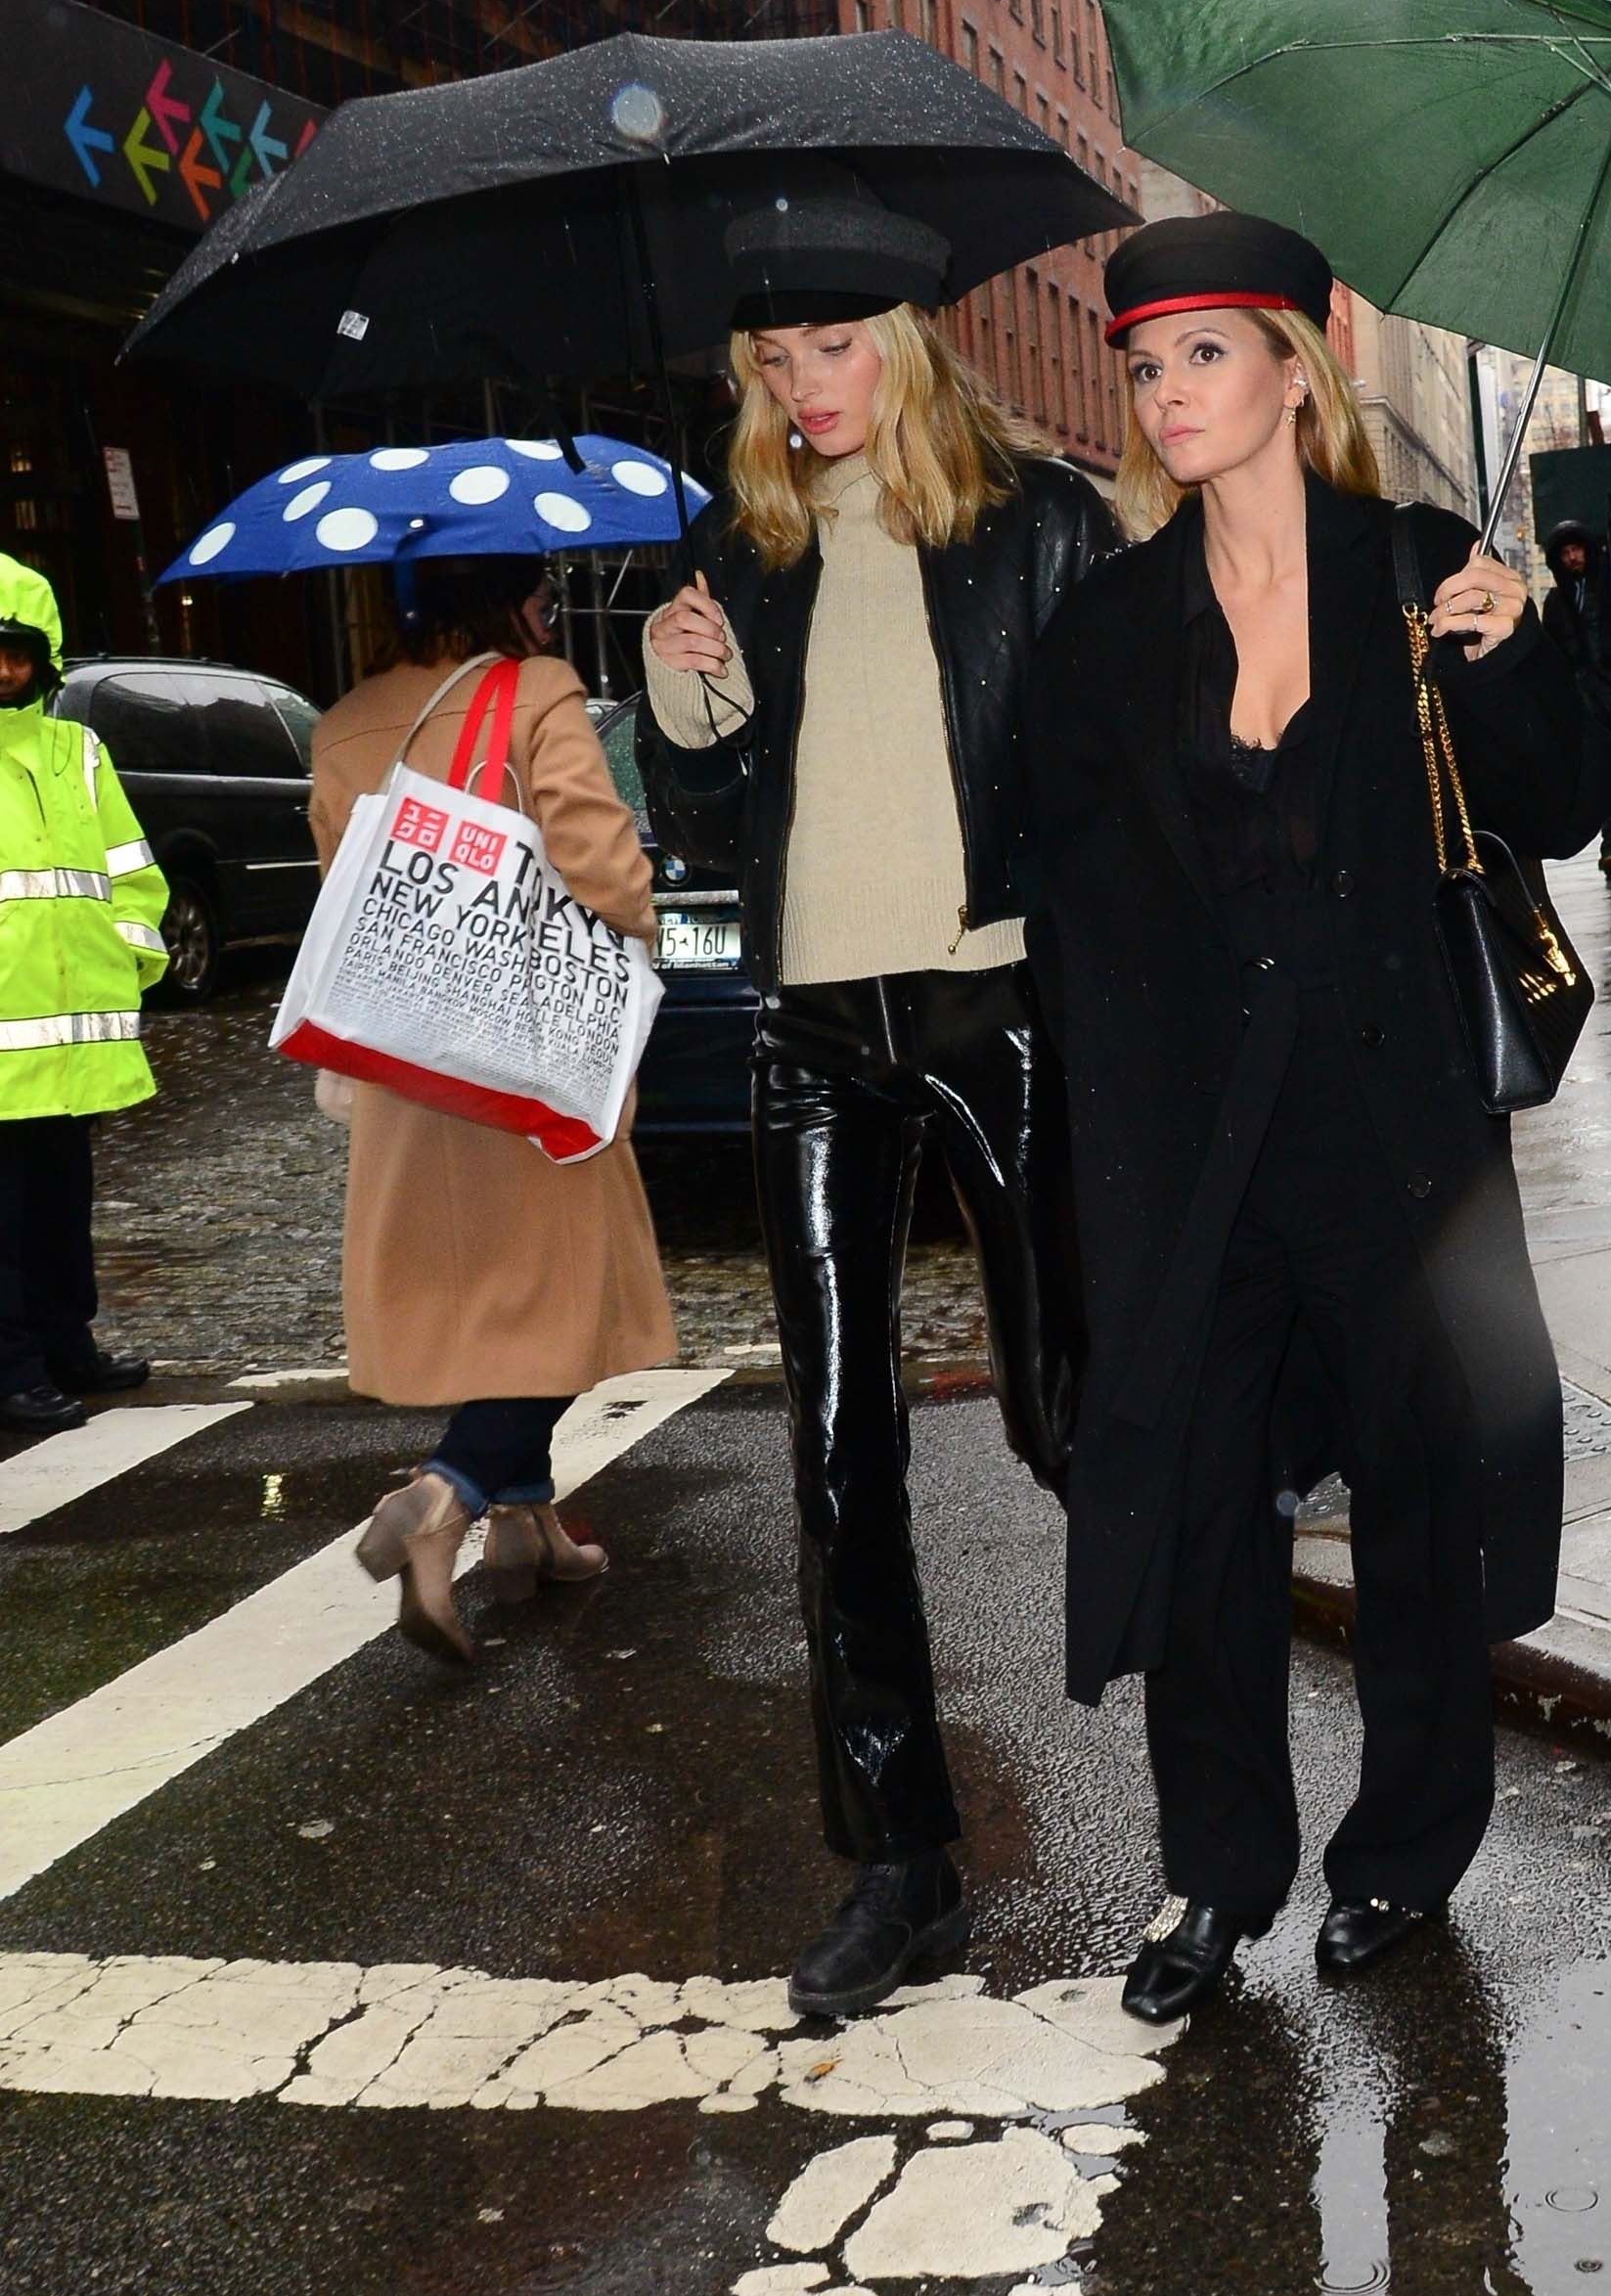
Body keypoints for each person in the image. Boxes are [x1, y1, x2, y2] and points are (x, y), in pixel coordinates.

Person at [1026, 213, 1611, 2028]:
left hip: (1395, 1129)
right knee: (1206, 1508)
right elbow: (1052, 881)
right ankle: (1215, 1876)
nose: (1168, 391)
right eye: (1145, 362)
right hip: (1196, 1148)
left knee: (1421, 1488)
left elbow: (1565, 799)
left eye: (1207, 352)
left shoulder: (1417, 568)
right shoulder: (1110, 628)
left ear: (1296, 365)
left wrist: (1517, 649)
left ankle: (1405, 1855)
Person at [637, 193, 1116, 2020]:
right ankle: (900, 1860)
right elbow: (707, 830)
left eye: (834, 349)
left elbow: (1121, 781)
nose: (804, 386)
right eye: (773, 360)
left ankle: (1221, 1777)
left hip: (1002, 1006)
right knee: (837, 1450)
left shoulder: (1041, 524)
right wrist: (685, 717)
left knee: (1069, 1414)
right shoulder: (738, 547)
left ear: (907, 344)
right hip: (814, 1029)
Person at [317, 555, 676, 1662]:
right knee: (563, 1301)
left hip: (411, 1059)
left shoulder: (344, 720)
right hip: (526, 1054)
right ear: (513, 600)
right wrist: (643, 914)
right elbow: (596, 863)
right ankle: (448, 1495)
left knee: (494, 1308)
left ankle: (527, 1528)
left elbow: (341, 875)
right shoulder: (533, 689)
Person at [0, 556, 164, 1439]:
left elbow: (132, 873)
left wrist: (131, 961)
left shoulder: (78, 751)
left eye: (15, 654)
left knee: (61, 1205)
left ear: (43, 658)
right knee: (8, 1220)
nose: (2, 670)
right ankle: (13, 1365)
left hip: (73, 1042)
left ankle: (68, 1345)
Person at [1541, 518, 1611, 875]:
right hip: (1584, 700)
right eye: (1566, 553)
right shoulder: (1558, 601)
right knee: (1601, 772)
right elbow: (1551, 653)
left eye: (1577, 550)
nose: (1573, 558)